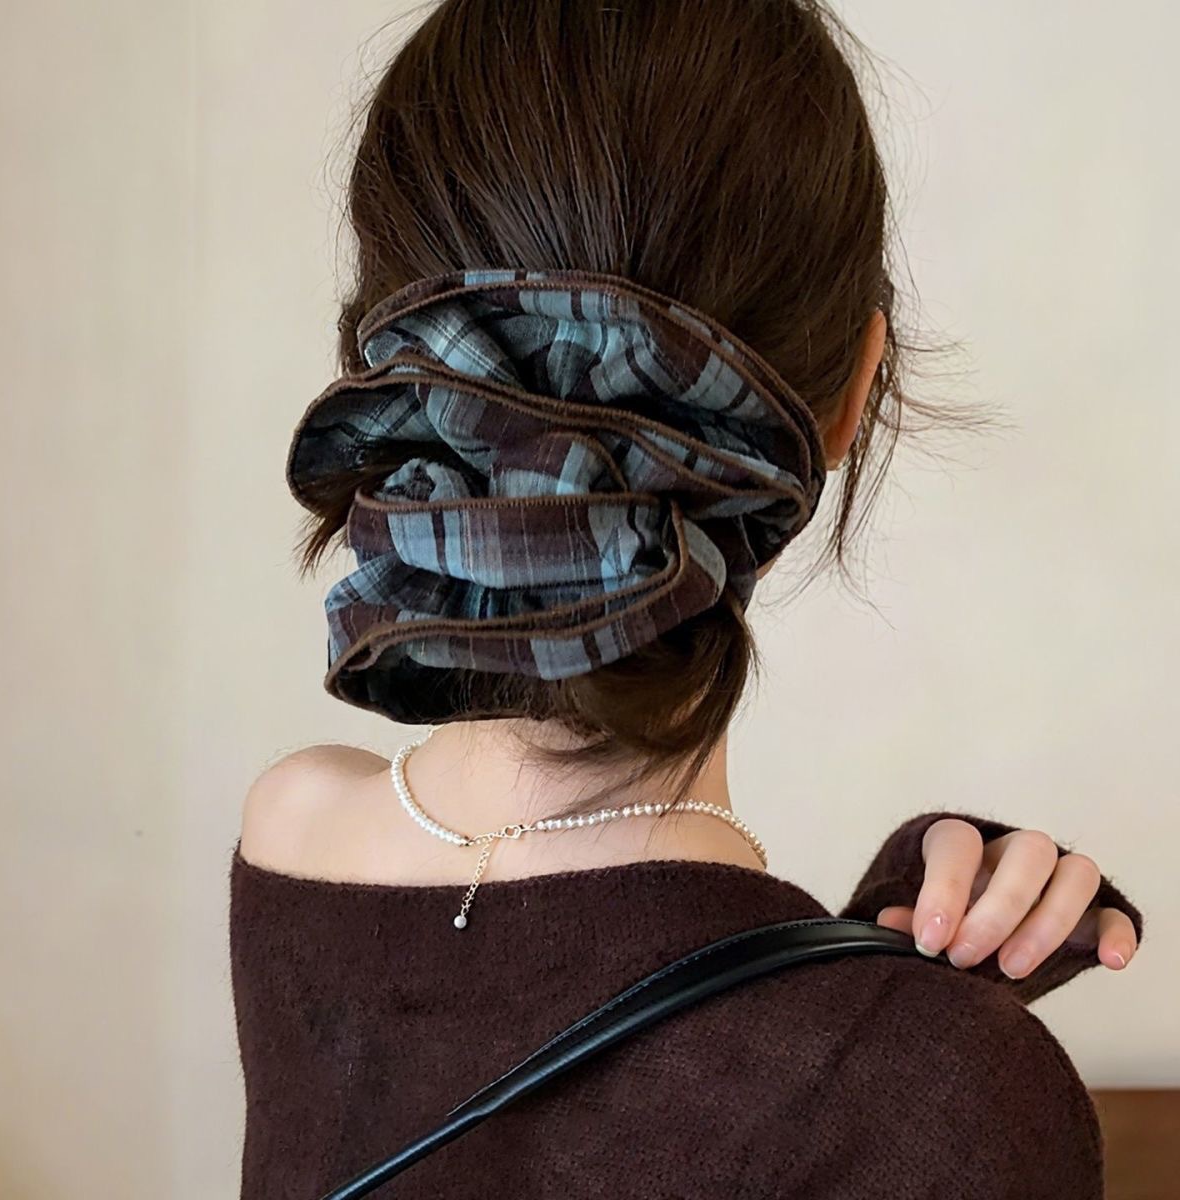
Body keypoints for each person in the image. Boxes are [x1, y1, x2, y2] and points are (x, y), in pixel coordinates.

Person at [228, 2, 1144, 1196]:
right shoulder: (936, 1087)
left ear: (396, 360)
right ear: (851, 395)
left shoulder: (292, 829)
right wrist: (917, 1053)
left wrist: (856, 973)